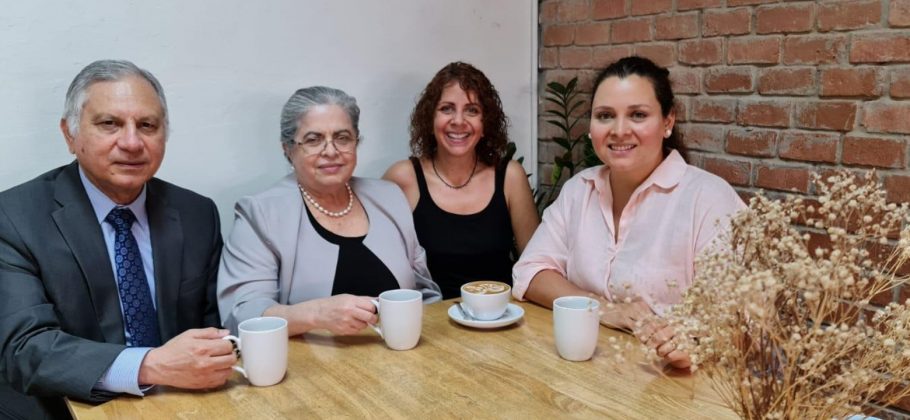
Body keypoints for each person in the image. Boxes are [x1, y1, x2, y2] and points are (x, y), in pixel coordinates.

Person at [0, 60, 234, 419]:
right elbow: (25, 348)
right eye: (109, 123)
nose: (132, 142)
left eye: (147, 125)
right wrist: (149, 365)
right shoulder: (14, 218)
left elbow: (213, 327)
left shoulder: (197, 214)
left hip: (183, 405)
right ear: (69, 135)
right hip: (63, 409)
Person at [512, 56, 746, 369]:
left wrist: (689, 343)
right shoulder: (579, 190)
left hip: (673, 381)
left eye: (638, 115)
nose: (619, 130)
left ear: (668, 122)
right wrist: (605, 309)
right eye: (605, 116)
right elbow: (530, 272)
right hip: (582, 374)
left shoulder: (708, 199)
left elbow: (742, 323)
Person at [217, 86, 440, 336]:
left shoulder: (389, 197)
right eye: (313, 140)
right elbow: (243, 315)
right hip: (310, 360)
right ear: (288, 148)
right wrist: (316, 315)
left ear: (356, 142)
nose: (331, 151)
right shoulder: (260, 213)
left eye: (342, 138)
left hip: (401, 353)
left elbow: (425, 294)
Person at [383, 62, 539, 300]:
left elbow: (536, 265)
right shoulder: (403, 178)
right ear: (430, 119)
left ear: (485, 123)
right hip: (428, 317)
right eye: (447, 109)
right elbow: (379, 265)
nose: (458, 120)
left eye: (472, 110)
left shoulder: (510, 177)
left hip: (500, 315)